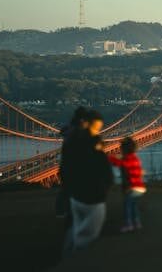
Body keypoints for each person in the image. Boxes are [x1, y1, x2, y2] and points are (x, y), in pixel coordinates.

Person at [62, 110, 114, 257]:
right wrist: (103, 190)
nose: (97, 132)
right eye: (96, 128)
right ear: (86, 124)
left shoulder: (70, 142)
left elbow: (65, 171)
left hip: (76, 196)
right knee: (87, 240)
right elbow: (103, 170)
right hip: (93, 198)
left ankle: (68, 260)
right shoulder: (91, 144)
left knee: (75, 231)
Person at [108, 137, 146, 233]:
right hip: (140, 188)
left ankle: (128, 225)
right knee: (134, 206)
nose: (120, 150)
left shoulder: (127, 159)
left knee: (127, 207)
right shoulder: (135, 158)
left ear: (125, 149)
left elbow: (120, 163)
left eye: (121, 148)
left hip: (132, 187)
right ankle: (137, 223)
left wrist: (108, 156)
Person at [57, 106, 89, 219]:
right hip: (76, 166)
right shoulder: (79, 132)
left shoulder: (69, 130)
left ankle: (62, 212)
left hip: (66, 165)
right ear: (82, 120)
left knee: (66, 190)